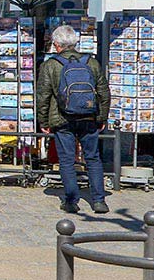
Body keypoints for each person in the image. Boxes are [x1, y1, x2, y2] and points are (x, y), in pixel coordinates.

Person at [36, 24, 111, 215]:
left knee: (67, 160)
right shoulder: (91, 63)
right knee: (93, 158)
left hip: (62, 118)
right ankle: (99, 201)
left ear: (56, 44)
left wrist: (43, 122)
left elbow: (43, 96)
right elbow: (103, 92)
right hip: (89, 116)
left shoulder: (50, 65)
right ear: (75, 43)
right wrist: (102, 117)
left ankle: (71, 201)